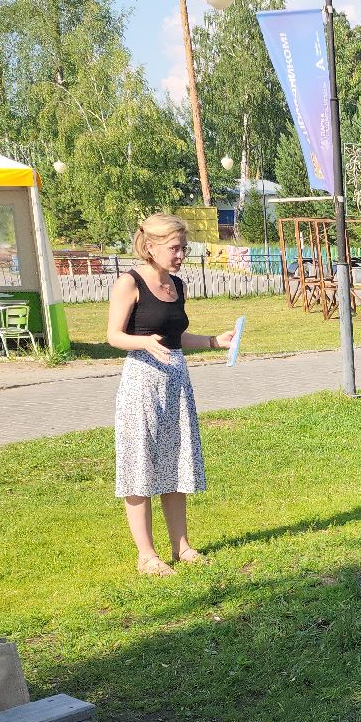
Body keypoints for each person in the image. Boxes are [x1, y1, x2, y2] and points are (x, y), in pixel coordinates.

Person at [105, 213, 237, 576]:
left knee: (176, 465)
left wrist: (213, 341)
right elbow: (114, 335)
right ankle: (146, 555)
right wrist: (144, 342)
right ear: (151, 247)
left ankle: (182, 547)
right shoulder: (129, 283)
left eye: (183, 248)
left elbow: (176, 338)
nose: (181, 254)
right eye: (175, 248)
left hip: (176, 383)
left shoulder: (176, 285)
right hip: (142, 383)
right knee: (140, 465)